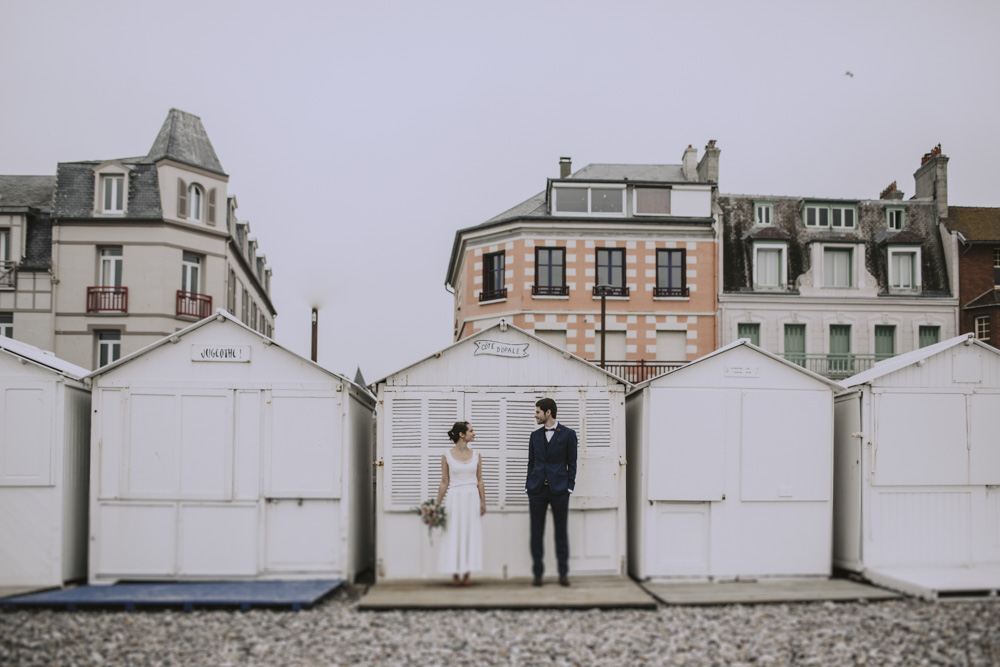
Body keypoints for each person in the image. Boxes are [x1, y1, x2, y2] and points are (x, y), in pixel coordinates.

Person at [526, 397, 577, 587]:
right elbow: (531, 463)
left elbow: (572, 463)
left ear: (548, 413)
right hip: (537, 490)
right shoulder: (534, 436)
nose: (535, 415)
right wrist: (528, 484)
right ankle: (538, 574)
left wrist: (569, 486)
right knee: (536, 532)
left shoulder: (568, 434)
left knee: (561, 532)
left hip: (559, 490)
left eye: (537, 411)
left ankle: (563, 573)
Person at [436, 421, 486, 586]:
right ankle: (455, 574)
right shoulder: (446, 455)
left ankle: (467, 574)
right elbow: (444, 482)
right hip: (454, 498)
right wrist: (437, 504)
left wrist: (483, 502)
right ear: (462, 434)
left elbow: (479, 480)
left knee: (470, 534)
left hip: (472, 497)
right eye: (471, 431)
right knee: (454, 534)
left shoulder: (476, 454)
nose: (475, 433)